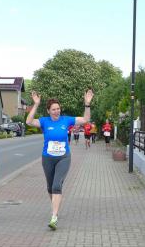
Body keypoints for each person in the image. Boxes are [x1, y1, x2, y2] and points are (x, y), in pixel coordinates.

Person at [26, 89, 95, 230]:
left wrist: (87, 104)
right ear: (48, 111)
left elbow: (85, 120)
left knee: (57, 186)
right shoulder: (44, 121)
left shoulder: (66, 120)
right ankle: (55, 208)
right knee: (50, 187)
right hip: (48, 158)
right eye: (53, 109)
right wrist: (36, 104)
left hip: (63, 158)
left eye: (58, 109)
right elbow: (29, 121)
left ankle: (54, 216)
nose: (56, 111)